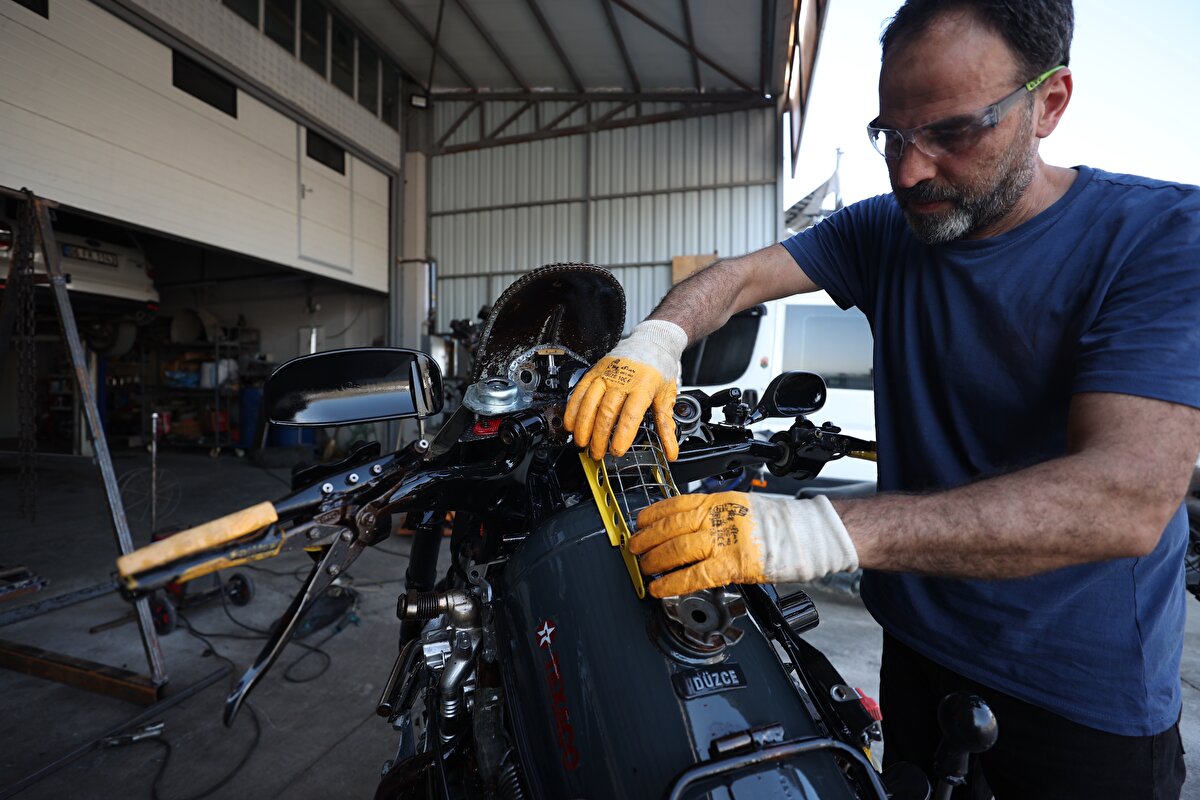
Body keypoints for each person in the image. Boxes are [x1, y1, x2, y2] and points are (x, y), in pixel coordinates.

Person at [562, 0, 1200, 796]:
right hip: (919, 653)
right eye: (891, 135)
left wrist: (812, 529)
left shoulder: (1161, 236)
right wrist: (654, 342)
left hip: (1076, 703)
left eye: (953, 132)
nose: (909, 171)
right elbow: (737, 278)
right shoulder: (887, 231)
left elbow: (1124, 499)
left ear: (1050, 103)